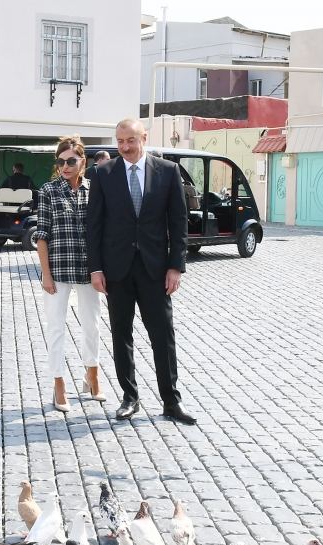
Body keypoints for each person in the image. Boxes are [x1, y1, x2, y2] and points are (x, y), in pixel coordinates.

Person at [86, 118, 196, 425]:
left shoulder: (168, 171)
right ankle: (129, 397)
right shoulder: (103, 174)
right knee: (122, 334)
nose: (124, 147)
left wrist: (176, 266)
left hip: (155, 270)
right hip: (116, 270)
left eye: (130, 140)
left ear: (143, 138)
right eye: (120, 141)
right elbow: (94, 225)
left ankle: (171, 401)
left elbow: (178, 222)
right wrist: (95, 268)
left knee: (163, 335)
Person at [34, 135, 104, 413]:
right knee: (56, 328)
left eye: (71, 160)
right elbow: (42, 236)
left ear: (82, 161)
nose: (65, 165)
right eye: (60, 161)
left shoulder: (94, 191)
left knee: (92, 325)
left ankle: (92, 374)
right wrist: (46, 275)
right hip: (58, 270)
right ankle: (58, 382)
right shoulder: (48, 191)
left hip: (88, 270)